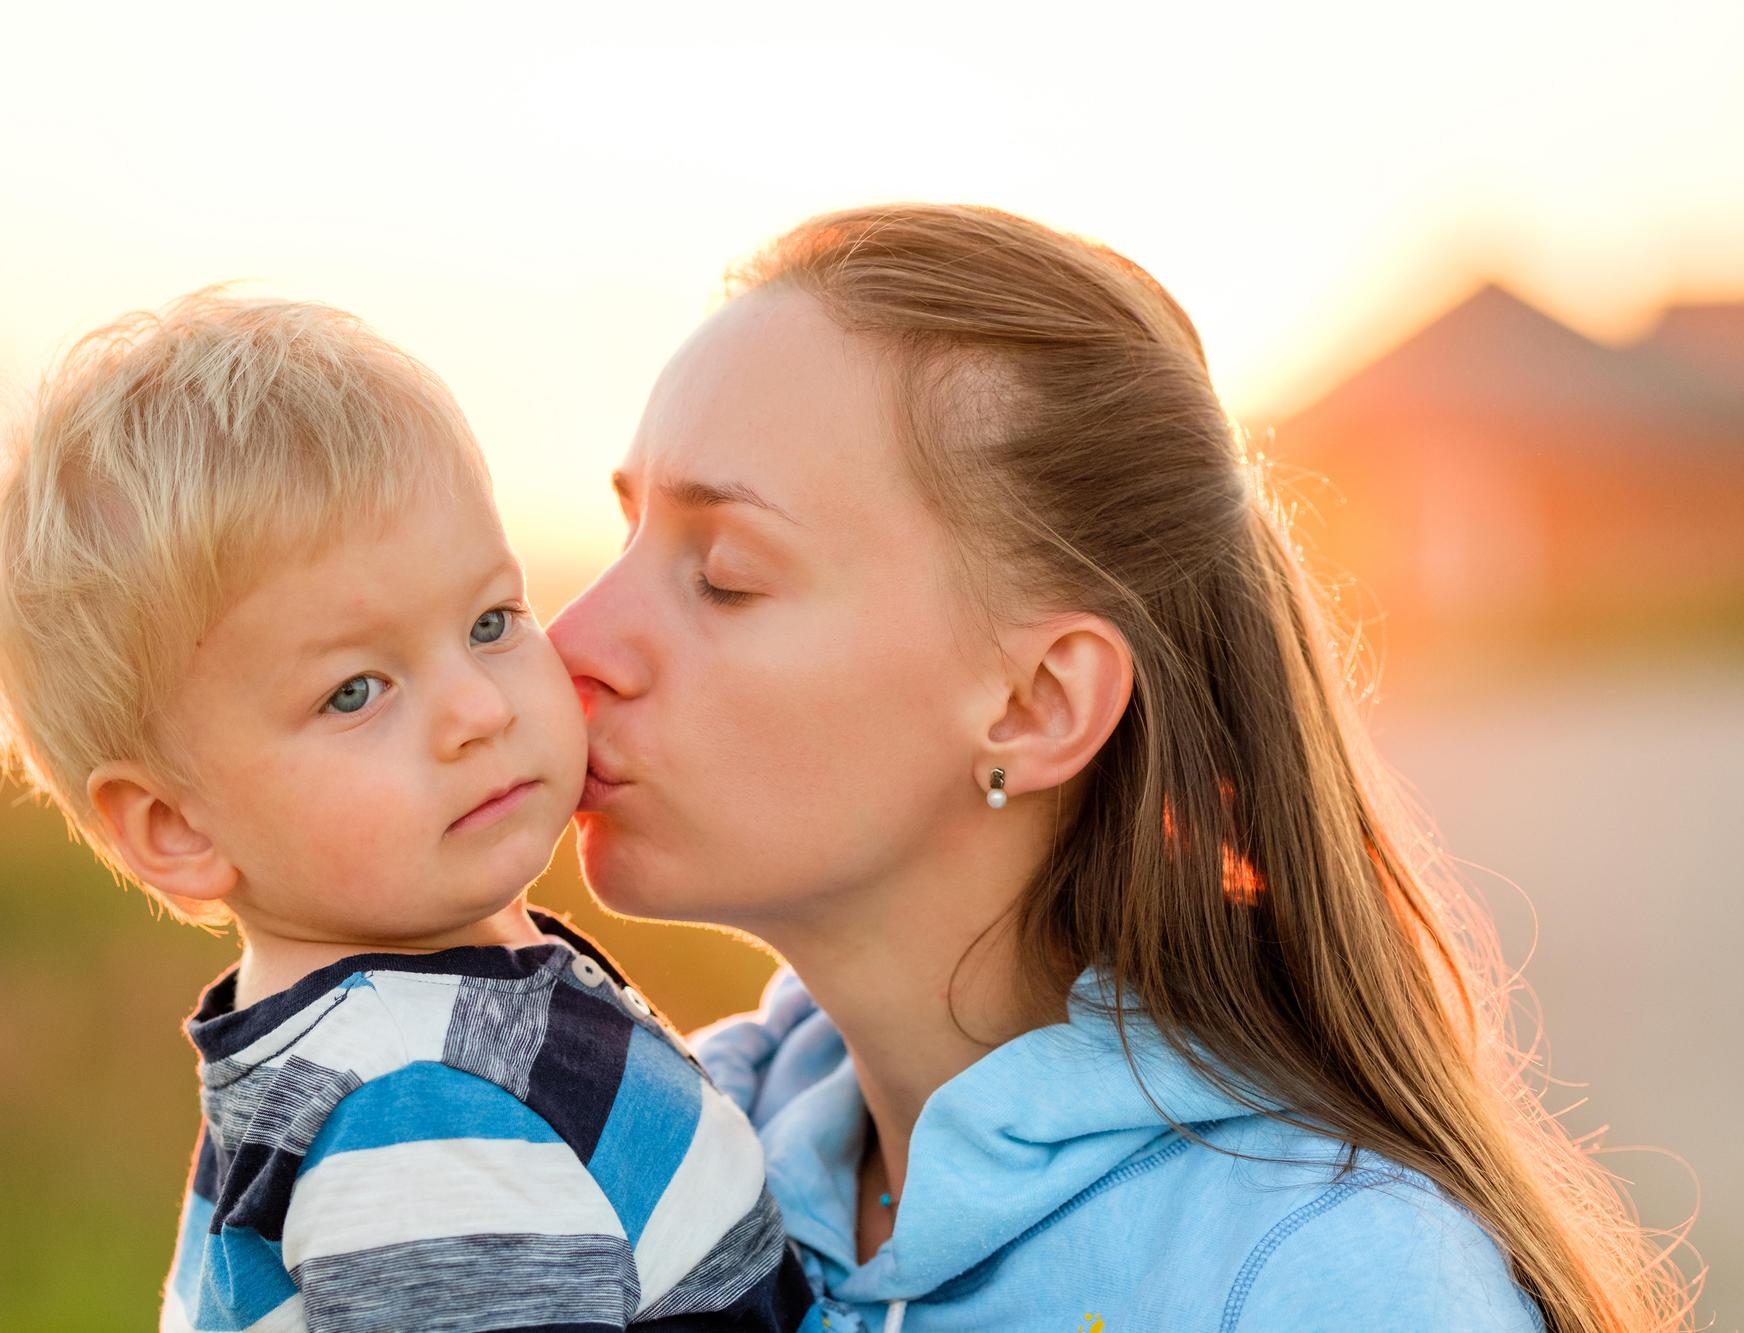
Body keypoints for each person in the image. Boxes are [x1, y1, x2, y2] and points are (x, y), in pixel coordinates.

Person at [546, 205, 1695, 1332]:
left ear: (1038, 704)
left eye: (726, 575)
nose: (570, 642)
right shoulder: (633, 1167)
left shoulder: (1329, 1279)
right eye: (628, 536)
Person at [0, 292, 813, 1331]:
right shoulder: (420, 1112)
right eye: (354, 691)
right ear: (176, 827)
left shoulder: (414, 1026)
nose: (475, 708)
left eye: (489, 620)